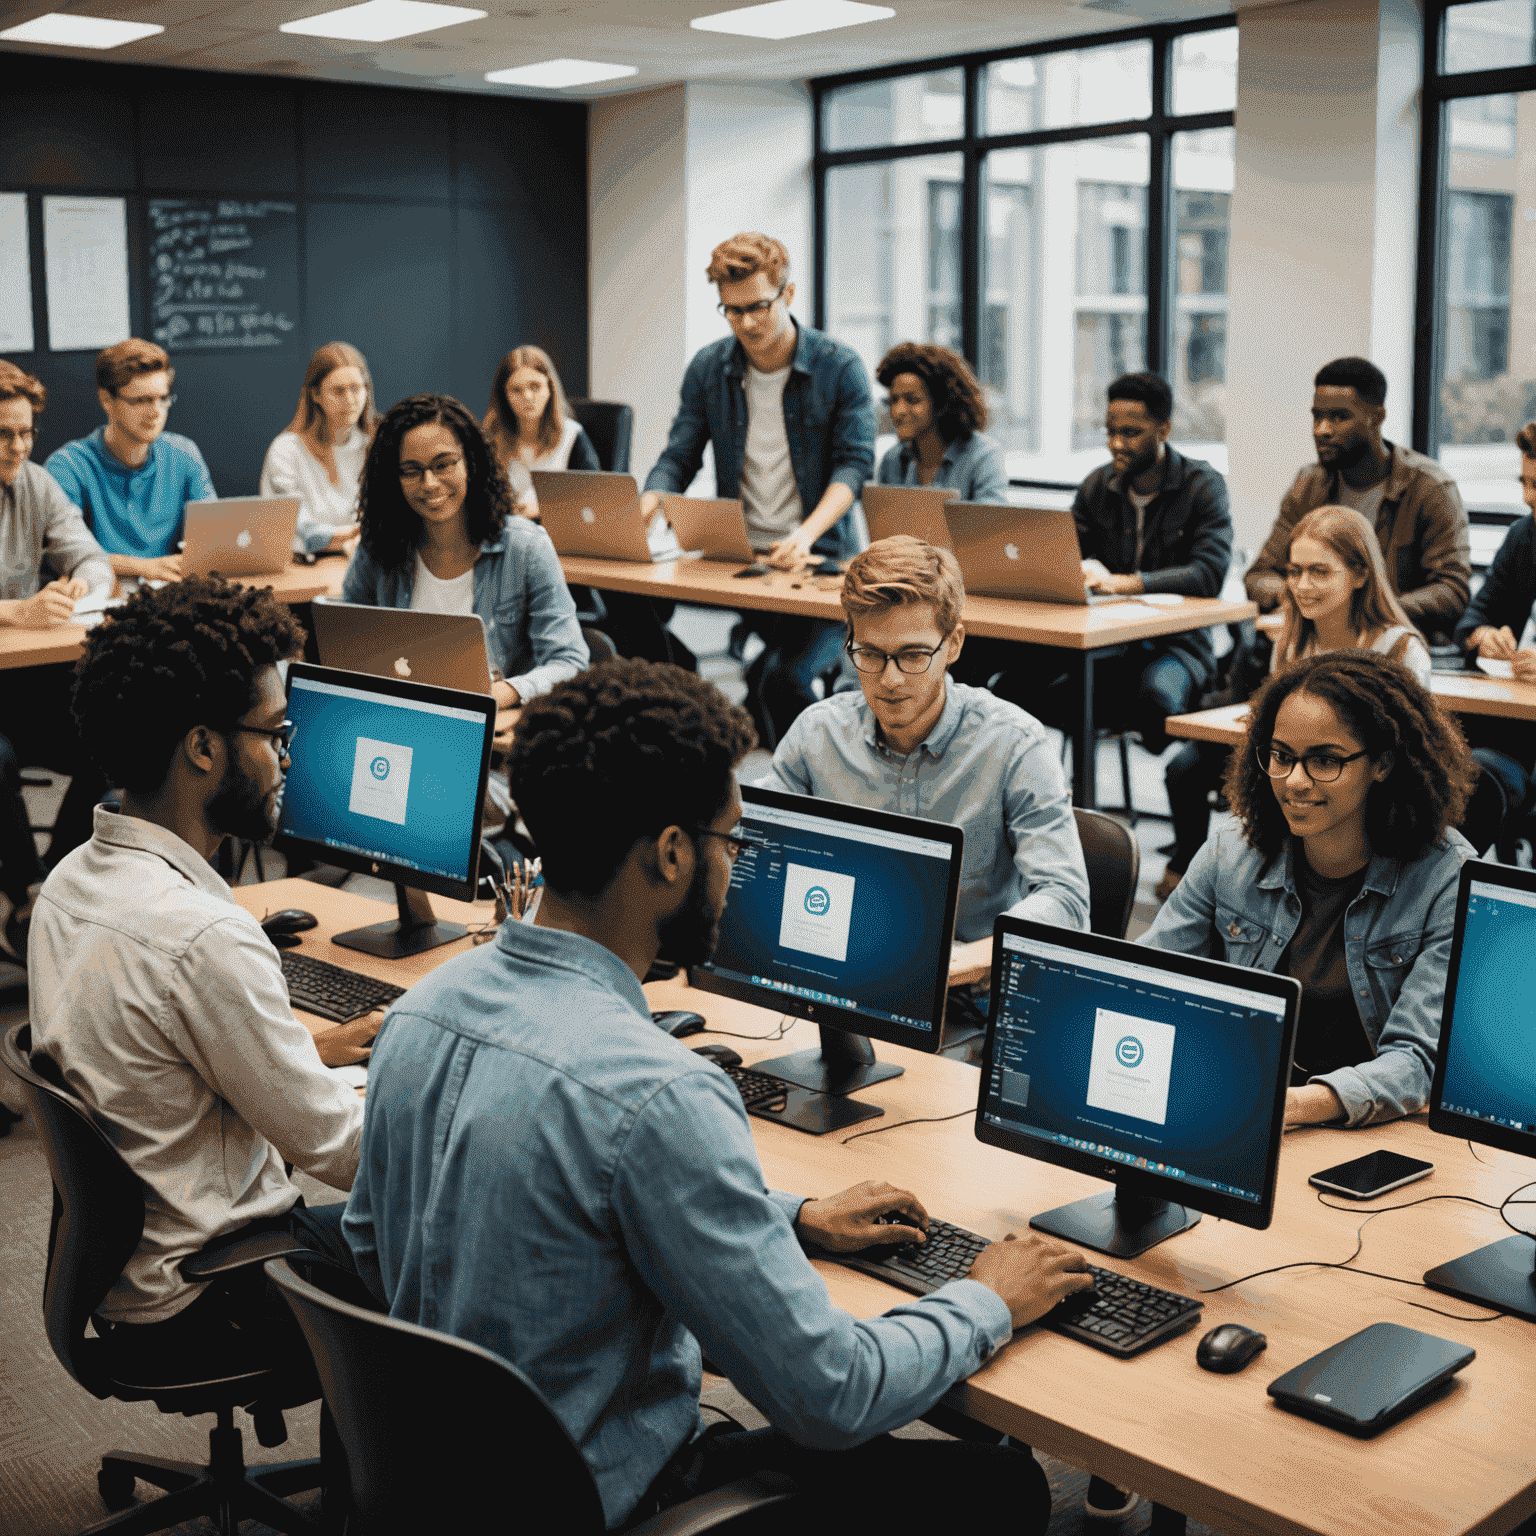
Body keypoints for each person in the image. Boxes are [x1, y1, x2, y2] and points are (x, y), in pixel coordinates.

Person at [343, 658, 1092, 1534]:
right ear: (670, 853)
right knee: (1001, 1488)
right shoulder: (659, 1094)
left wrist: (789, 1214)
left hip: (448, 1485)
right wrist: (988, 1297)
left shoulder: (420, 1012)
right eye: (733, 844)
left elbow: (368, 1242)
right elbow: (830, 1393)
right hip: (605, 1502)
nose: (738, 872)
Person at [26, 575, 375, 1386]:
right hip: (218, 1288)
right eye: (276, 733)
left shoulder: (74, 882)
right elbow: (339, 1152)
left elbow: (151, 1056)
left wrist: (312, 1050)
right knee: (467, 1230)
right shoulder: (205, 936)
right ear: (203, 747)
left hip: (135, 1270)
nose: (288, 756)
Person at [1142, 650, 1476, 1128]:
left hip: (1372, 1132)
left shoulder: (1446, 879)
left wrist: (1292, 1104)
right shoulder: (1230, 853)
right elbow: (1147, 982)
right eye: (1281, 757)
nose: (1294, 782)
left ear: (1381, 763)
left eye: (1324, 761)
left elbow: (1419, 1059)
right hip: (1240, 1113)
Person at [761, 535, 1089, 974]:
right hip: (841, 969)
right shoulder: (818, 733)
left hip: (968, 984)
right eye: (870, 654)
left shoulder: (1014, 744)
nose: (890, 680)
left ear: (953, 644)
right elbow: (751, 847)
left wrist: (960, 962)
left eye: (913, 655)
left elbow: (1066, 900)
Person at [639, 232, 876, 747]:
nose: (746, 322)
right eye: (731, 310)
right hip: (743, 561)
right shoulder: (709, 368)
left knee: (783, 681)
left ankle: (842, 778)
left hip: (822, 564)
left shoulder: (840, 367)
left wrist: (807, 534)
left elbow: (853, 467)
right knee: (649, 644)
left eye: (758, 307)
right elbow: (679, 454)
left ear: (788, 296)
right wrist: (650, 502)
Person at [1160, 506, 1432, 900]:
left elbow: (1409, 767)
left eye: (1319, 572)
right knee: (1192, 772)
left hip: (1368, 810)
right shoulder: (1291, 642)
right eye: (1294, 571)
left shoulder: (1401, 651)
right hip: (1301, 784)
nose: (1302, 585)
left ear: (1360, 574)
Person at [999, 371, 1233, 757]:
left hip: (1177, 644)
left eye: (1131, 432)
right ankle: (1059, 797)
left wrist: (1123, 583)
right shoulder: (1097, 486)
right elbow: (1064, 555)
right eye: (1110, 431)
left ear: (1164, 429)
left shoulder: (1202, 487)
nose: (1115, 443)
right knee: (1011, 689)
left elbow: (1207, 575)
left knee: (1155, 701)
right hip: (1106, 646)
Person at [341, 393, 589, 756]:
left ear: (471, 462)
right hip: (398, 732)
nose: (428, 483)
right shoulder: (379, 548)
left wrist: (495, 695)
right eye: (411, 470)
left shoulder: (525, 548)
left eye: (443, 464)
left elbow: (570, 663)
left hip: (486, 743)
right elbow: (345, 645)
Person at [0, 360, 114, 958]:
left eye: (25, 433)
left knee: (107, 736)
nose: (17, 446)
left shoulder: (35, 483)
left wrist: (78, 589)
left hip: (21, 681)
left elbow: (93, 559)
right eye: (2, 434)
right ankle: (22, 894)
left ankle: (55, 884)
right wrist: (10, 611)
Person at [1245, 357, 1471, 639]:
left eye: (1339, 417)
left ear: (1376, 417)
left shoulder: (1430, 487)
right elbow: (1260, 576)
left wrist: (1367, 611)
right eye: (1317, 416)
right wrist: (1299, 596)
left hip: (1394, 645)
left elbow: (1452, 589)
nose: (1322, 430)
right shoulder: (1309, 484)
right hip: (1317, 643)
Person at [44, 337, 214, 581]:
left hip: (170, 592)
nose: (156, 411)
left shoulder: (184, 454)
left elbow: (213, 537)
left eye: (162, 398)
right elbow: (63, 554)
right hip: (101, 596)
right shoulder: (68, 466)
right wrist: (145, 567)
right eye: (141, 400)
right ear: (107, 400)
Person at [1451, 421, 1536, 822]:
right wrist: (1484, 636)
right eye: (1525, 482)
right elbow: (1473, 618)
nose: (1527, 497)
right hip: (1514, 735)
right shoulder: (1524, 536)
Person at [259, 340, 379, 555]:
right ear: (316, 395)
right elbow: (298, 530)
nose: (350, 400)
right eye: (338, 391)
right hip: (302, 566)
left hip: (360, 561)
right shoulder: (286, 450)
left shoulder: (375, 445)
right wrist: (357, 537)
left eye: (356, 388)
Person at [874, 342, 1008, 502]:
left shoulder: (983, 456)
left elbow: (991, 524)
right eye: (893, 400)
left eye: (912, 400)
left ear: (941, 403)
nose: (898, 411)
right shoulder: (893, 460)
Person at [482, 344, 600, 516]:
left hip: (557, 535)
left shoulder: (571, 435)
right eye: (516, 390)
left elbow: (595, 499)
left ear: (550, 389)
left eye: (535, 386)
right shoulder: (491, 438)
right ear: (504, 395)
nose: (528, 397)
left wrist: (544, 508)